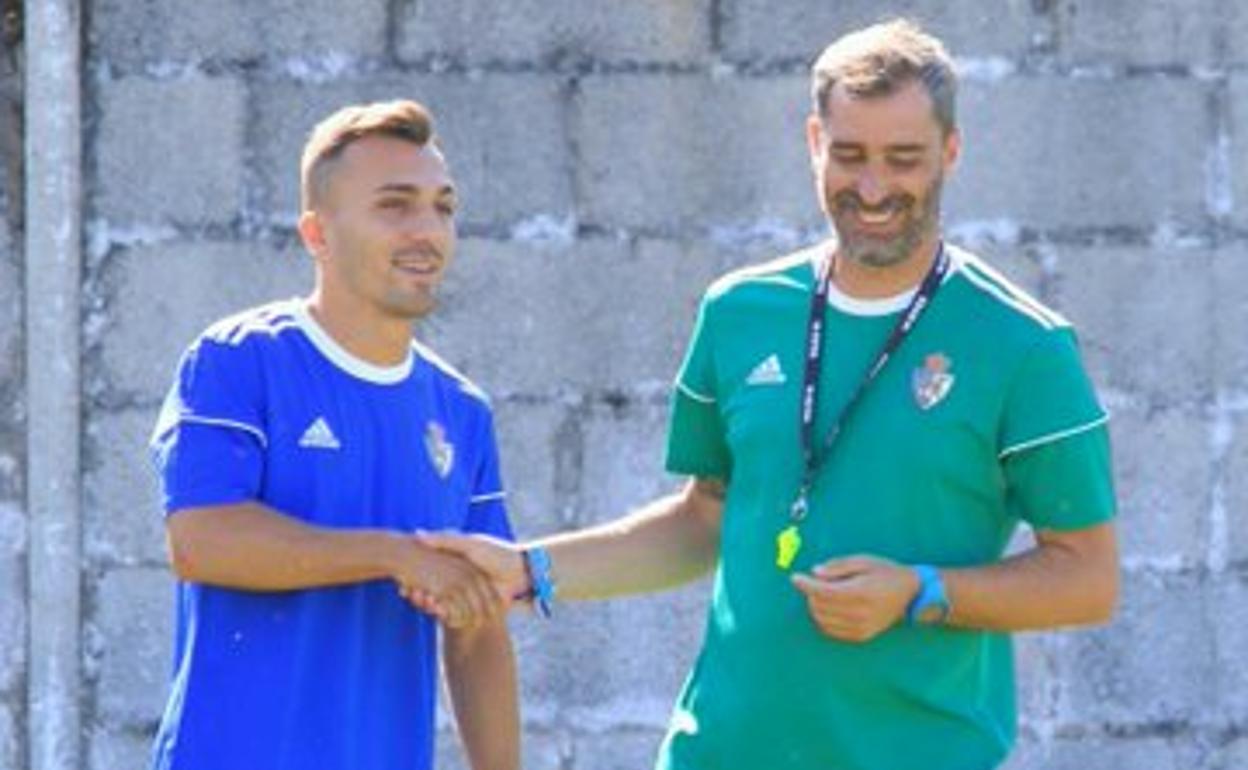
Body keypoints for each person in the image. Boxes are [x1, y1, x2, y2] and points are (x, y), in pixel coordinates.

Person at [420, 19, 1119, 770]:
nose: (874, 187)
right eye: (849, 155)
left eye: (903, 159)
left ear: (950, 152)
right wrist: (530, 569)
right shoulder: (738, 311)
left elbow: (1087, 576)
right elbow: (707, 518)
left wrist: (922, 591)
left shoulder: (1025, 344)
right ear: (814, 141)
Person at [147, 100, 519, 770]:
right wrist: (394, 553)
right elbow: (201, 541)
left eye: (443, 206)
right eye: (395, 205)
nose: (427, 230)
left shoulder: (462, 411)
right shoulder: (238, 360)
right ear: (317, 234)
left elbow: (478, 627)